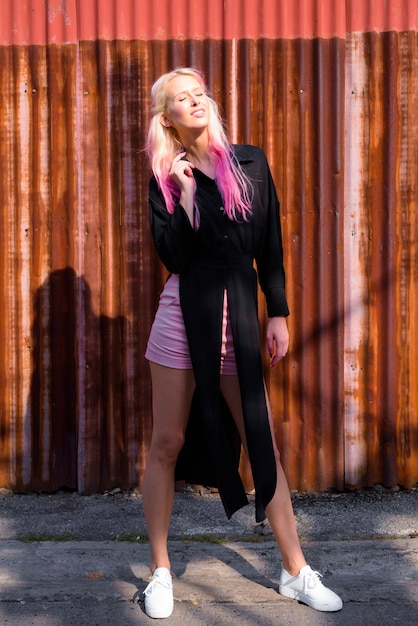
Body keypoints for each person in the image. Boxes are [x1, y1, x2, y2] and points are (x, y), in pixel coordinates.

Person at [141, 67, 343, 619]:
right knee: (166, 441)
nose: (194, 102)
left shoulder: (249, 161)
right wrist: (184, 195)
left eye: (198, 93)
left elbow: (270, 241)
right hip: (185, 314)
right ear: (169, 119)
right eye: (181, 99)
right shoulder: (165, 176)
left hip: (241, 313)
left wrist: (277, 310)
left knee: (262, 441)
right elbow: (175, 258)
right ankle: (160, 572)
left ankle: (295, 572)